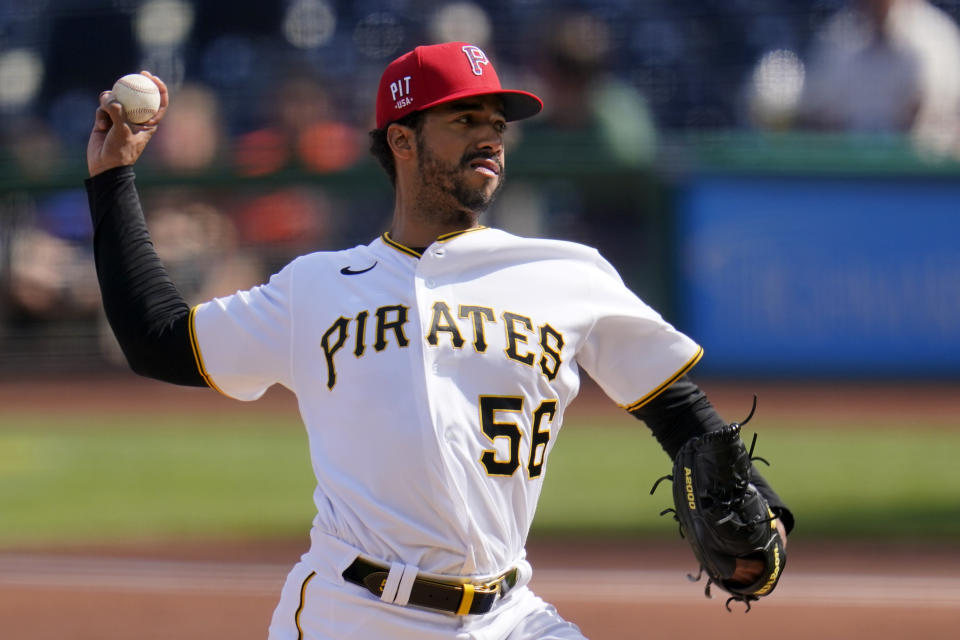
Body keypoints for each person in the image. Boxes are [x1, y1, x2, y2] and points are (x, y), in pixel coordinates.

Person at [85, 42, 793, 639]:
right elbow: (157, 341)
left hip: (512, 616)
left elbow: (679, 408)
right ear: (402, 138)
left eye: (496, 123)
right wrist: (113, 177)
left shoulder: (565, 272)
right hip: (352, 613)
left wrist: (768, 515)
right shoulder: (317, 287)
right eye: (465, 119)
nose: (490, 135)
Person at [796, 0, 960, 155]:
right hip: (850, 170)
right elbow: (816, 117)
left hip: (923, 171)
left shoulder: (935, 40)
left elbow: (924, 117)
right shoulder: (837, 37)